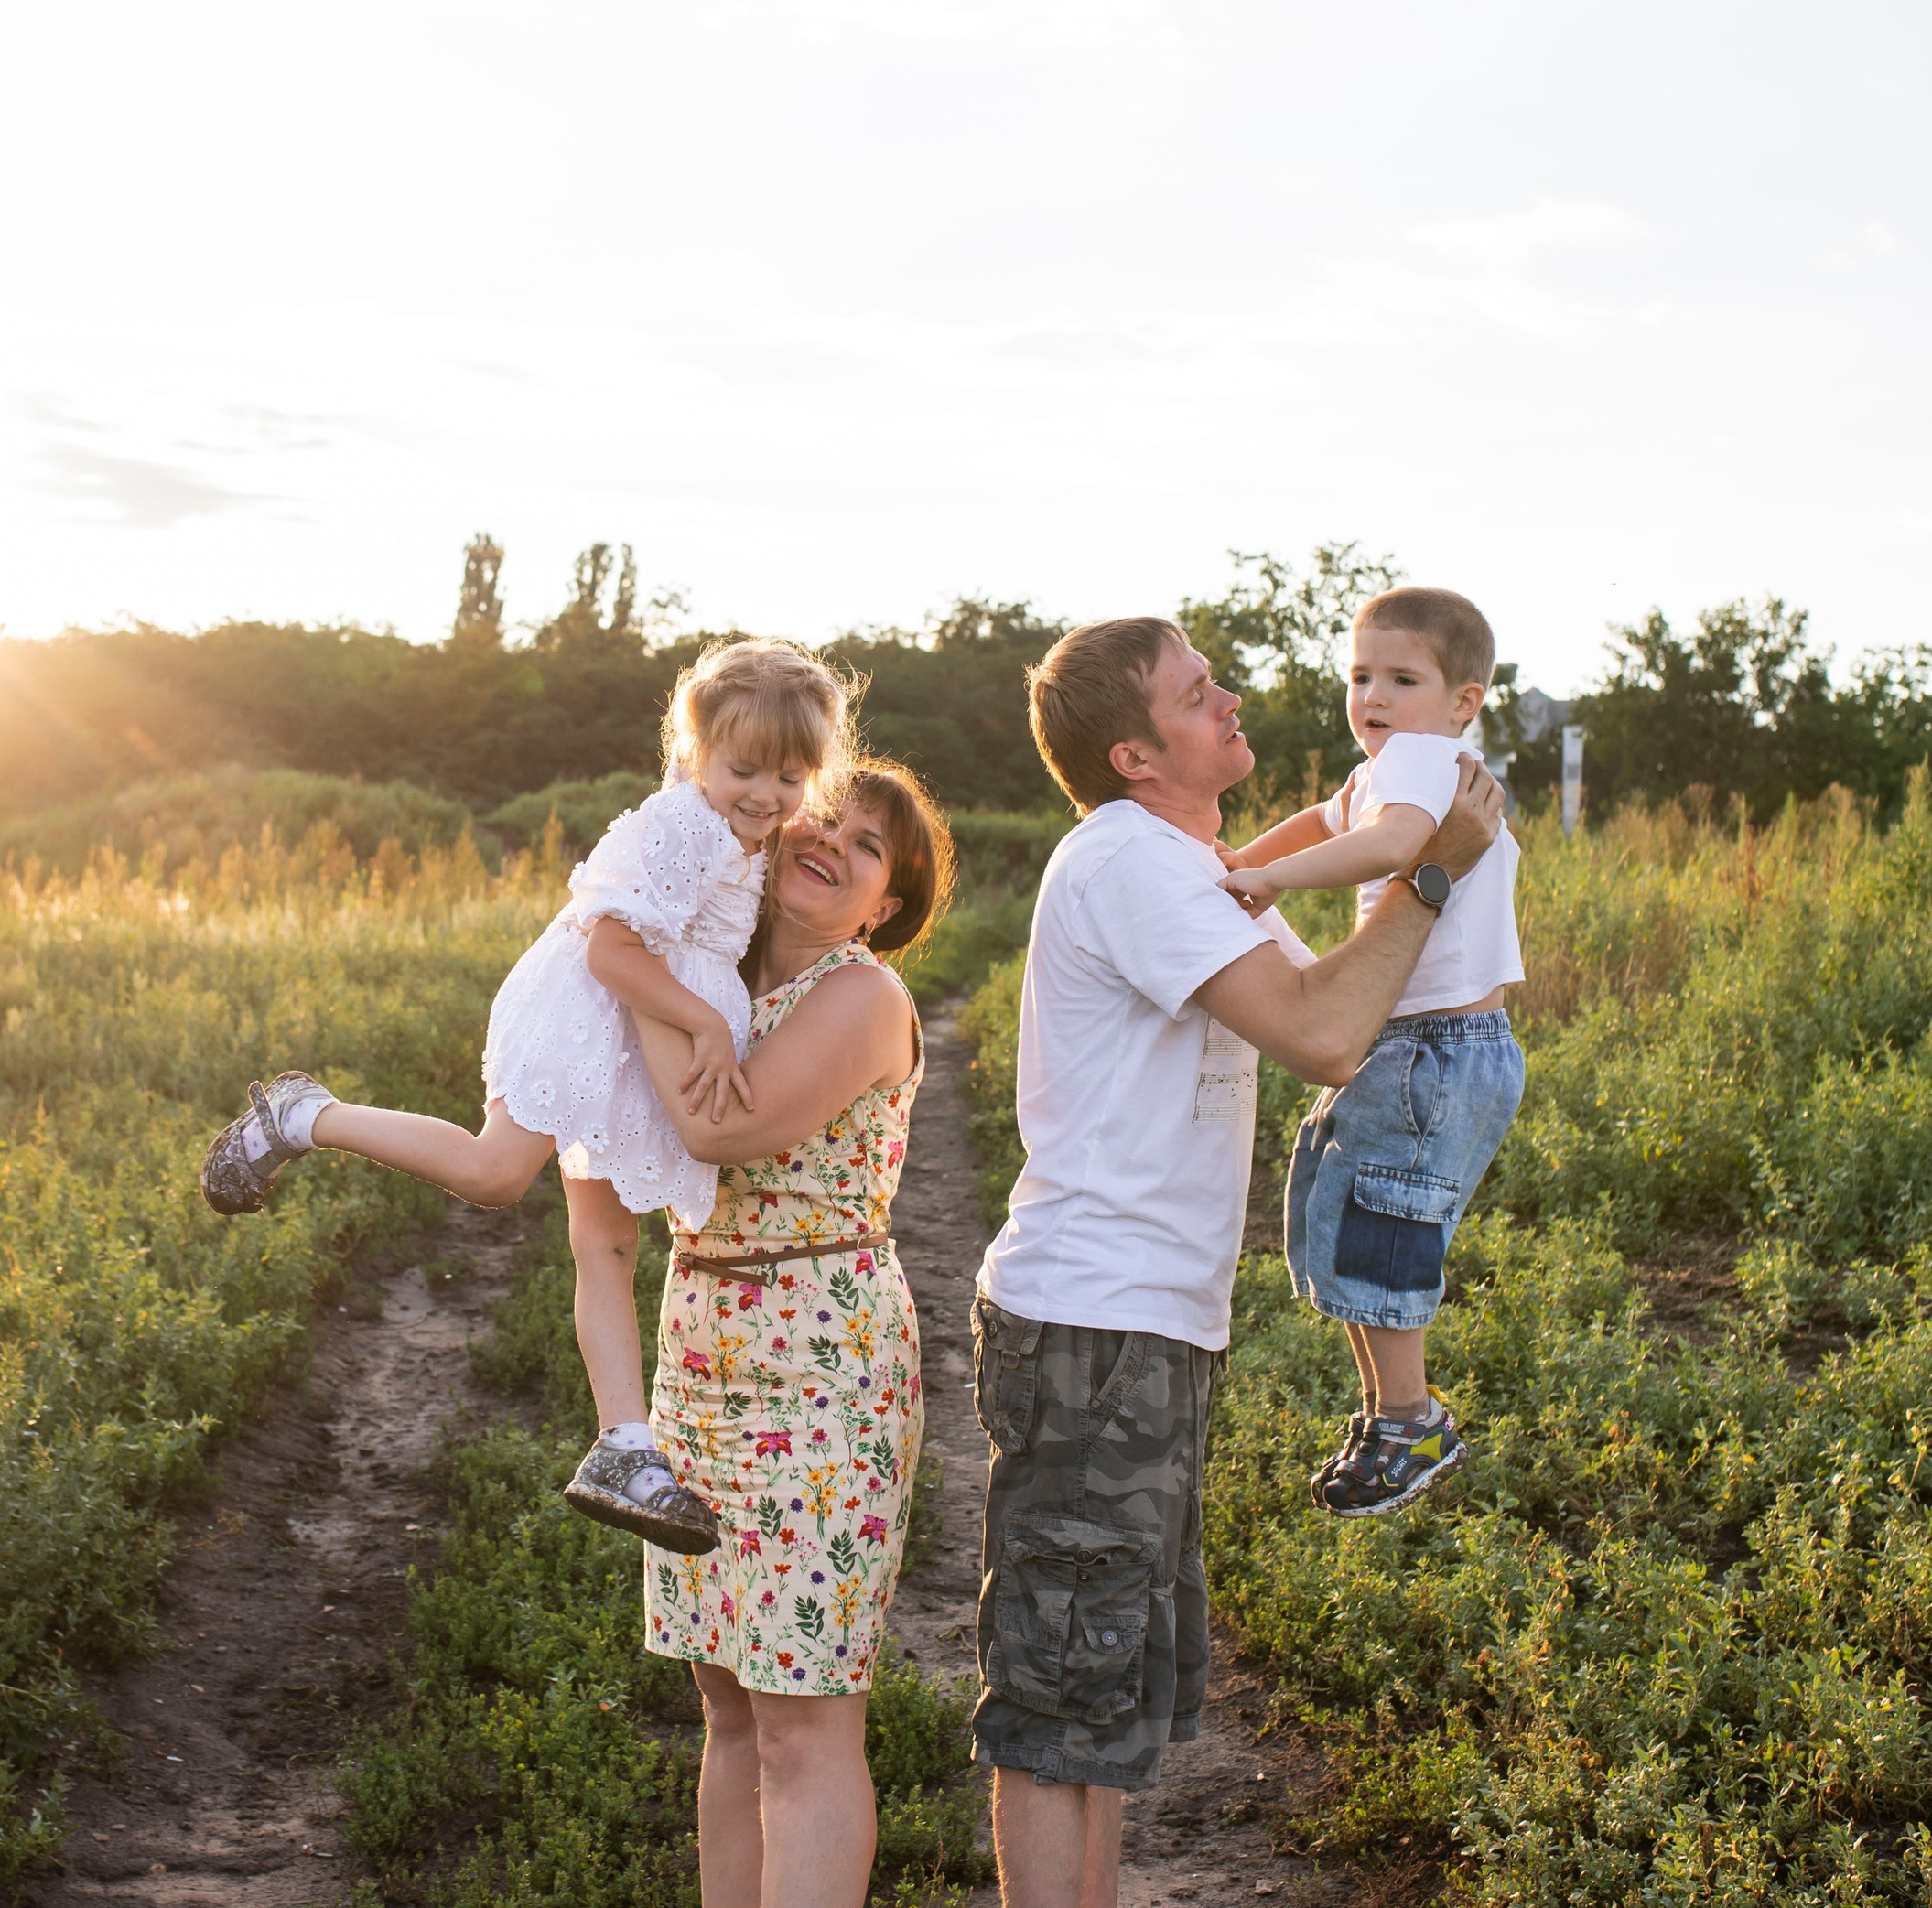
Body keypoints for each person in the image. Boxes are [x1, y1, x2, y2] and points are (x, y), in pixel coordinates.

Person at [971, 616, 1505, 1908]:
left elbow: (1336, 1003)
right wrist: (1430, 877)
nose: (1230, 702)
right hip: (1099, 1331)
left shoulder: (1184, 861)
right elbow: (1325, 1033)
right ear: (1135, 754)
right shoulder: (1135, 867)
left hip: (1144, 1328)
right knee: (1061, 1705)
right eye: (1197, 694)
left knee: (1108, 1698)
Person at [197, 637, 852, 1556]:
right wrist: (706, 1025)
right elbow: (610, 951)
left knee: (609, 1239)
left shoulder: (745, 834)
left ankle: (624, 1442)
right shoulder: (687, 826)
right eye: (743, 768)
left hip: (637, 1029)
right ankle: (303, 1115)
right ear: (696, 751)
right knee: (497, 1171)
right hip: (589, 1011)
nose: (765, 794)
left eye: (789, 775)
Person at [638, 760, 953, 1908]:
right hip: (700, 1354)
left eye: (870, 848)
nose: (835, 842)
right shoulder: (711, 975)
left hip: (820, 1374)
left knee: (802, 1723)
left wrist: (635, 982)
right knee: (726, 1703)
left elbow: (728, 1126)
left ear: (884, 906)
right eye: (829, 816)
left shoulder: (863, 994)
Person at [1215, 586, 1526, 1516]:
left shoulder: (1427, 762)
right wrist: (1224, 866)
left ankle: (1410, 1418)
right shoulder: (1381, 767)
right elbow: (1325, 820)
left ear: (1462, 701)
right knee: (1344, 1214)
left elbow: (1388, 844)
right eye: (1360, 675)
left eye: (1401, 677)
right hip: (1404, 1042)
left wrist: (1262, 880)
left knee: (1386, 1222)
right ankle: (1385, 1413)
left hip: (1440, 1045)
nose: (1373, 696)